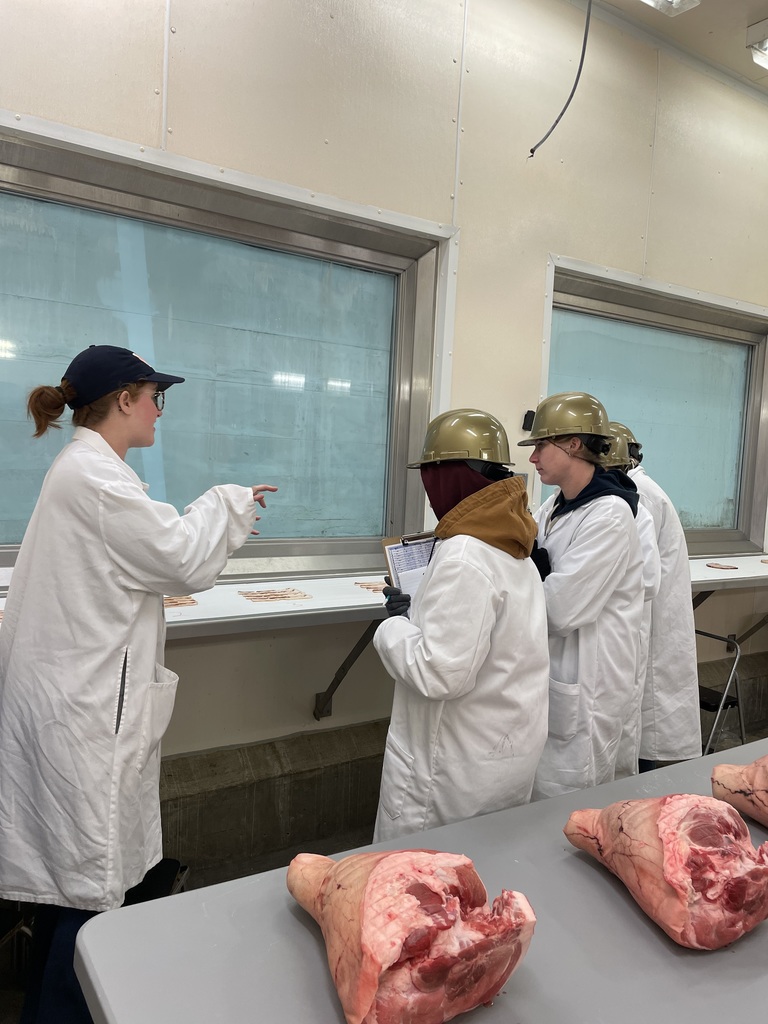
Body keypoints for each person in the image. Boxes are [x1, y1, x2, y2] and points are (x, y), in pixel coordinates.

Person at [0, 345, 278, 1023]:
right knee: (90, 886)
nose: (159, 411)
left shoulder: (90, 471)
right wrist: (229, 503)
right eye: (156, 396)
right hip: (84, 713)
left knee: (74, 881)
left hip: (79, 701)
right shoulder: (95, 477)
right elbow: (180, 558)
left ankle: (46, 1005)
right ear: (125, 399)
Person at [372, 408, 549, 841]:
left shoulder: (465, 554)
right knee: (488, 867)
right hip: (498, 751)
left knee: (426, 876)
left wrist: (394, 627)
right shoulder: (511, 540)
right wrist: (420, 611)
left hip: (452, 767)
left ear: (447, 477)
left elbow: (439, 672)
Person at [518, 392, 644, 799]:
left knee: (572, 794)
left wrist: (531, 571)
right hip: (557, 670)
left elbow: (560, 609)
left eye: (541, 445)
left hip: (589, 678)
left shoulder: (610, 514)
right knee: (543, 792)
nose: (533, 457)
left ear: (573, 444)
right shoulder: (555, 506)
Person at [609, 421, 702, 770]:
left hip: (649, 630)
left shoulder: (637, 494)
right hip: (650, 624)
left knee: (648, 735)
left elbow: (637, 578)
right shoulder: (638, 488)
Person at [601, 424, 661, 777]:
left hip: (616, 637)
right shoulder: (557, 505)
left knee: (618, 739)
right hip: (591, 645)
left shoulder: (635, 509)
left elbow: (648, 581)